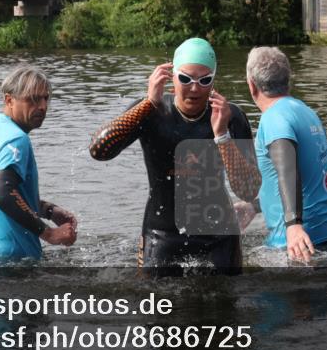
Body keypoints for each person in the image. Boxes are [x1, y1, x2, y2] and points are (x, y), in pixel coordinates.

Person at [89, 38, 260, 274]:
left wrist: (221, 135)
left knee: (225, 308)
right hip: (162, 235)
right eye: (185, 78)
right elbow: (99, 151)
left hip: (220, 238)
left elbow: (249, 190)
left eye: (204, 80)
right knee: (156, 306)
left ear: (213, 81)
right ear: (171, 77)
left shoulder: (230, 117)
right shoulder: (151, 111)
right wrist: (147, 104)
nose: (194, 87)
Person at [0, 67, 78, 265]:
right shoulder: (17, 139)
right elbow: (2, 194)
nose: (42, 106)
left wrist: (48, 210)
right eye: (33, 99)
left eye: (45, 98)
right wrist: (49, 233)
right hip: (9, 263)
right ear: (9, 100)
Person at [243, 46, 327, 263]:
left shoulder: (273, 118)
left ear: (251, 85)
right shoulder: (306, 112)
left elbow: (286, 168)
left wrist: (293, 226)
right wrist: (254, 207)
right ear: (288, 80)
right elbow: (306, 177)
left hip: (298, 243)